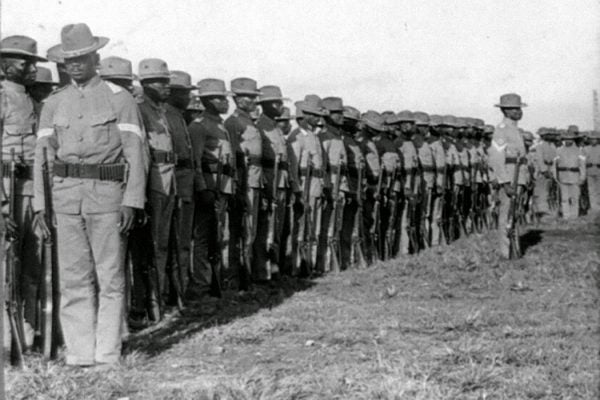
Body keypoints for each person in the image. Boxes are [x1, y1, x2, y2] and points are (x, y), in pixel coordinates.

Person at [33, 23, 146, 366]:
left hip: (108, 198)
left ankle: (108, 352)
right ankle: (81, 353)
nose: (76, 65)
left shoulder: (119, 98)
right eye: (69, 60)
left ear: (95, 57)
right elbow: (43, 156)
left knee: (110, 278)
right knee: (73, 278)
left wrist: (132, 200)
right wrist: (41, 205)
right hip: (66, 200)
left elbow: (136, 152)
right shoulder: (54, 103)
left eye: (82, 57)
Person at [0, 34, 46, 350]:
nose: (30, 67)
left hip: (32, 190)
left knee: (32, 264)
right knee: (6, 266)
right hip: (7, 191)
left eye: (32, 61)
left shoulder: (32, 102)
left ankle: (26, 332)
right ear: (5, 64)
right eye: (24, 61)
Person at [187, 78, 234, 300]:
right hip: (208, 188)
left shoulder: (220, 126)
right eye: (218, 98)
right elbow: (195, 161)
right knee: (204, 238)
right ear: (206, 100)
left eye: (224, 97)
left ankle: (214, 280)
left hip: (222, 186)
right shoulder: (199, 126)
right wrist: (202, 188)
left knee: (217, 235)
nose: (224, 102)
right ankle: (201, 284)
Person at [224, 77, 263, 289]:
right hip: (243, 181)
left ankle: (246, 275)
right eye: (250, 97)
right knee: (238, 231)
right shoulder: (233, 123)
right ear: (238, 99)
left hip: (255, 180)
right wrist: (237, 186)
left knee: (250, 230)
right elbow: (233, 157)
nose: (254, 101)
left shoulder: (248, 122)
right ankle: (234, 277)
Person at [255, 86, 294, 280]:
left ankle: (275, 265)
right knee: (265, 229)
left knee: (277, 227)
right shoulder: (260, 127)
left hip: (281, 182)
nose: (279, 106)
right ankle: (263, 270)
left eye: (280, 102)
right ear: (264, 105)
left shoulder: (275, 128)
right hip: (269, 183)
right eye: (275, 102)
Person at [165, 70, 196, 296]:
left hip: (185, 183)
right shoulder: (167, 116)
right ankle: (173, 288)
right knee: (174, 239)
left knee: (183, 238)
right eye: (184, 93)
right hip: (173, 183)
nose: (188, 98)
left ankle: (181, 284)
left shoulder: (178, 117)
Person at [487, 93, 529, 259]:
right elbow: (496, 159)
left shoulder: (515, 130)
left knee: (515, 214)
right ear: (505, 110)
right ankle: (506, 252)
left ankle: (514, 249)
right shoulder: (501, 130)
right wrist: (505, 182)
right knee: (507, 215)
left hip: (519, 177)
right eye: (514, 109)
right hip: (511, 177)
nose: (518, 111)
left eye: (519, 108)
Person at [552, 130, 586, 219]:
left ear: (573, 140)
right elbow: (554, 165)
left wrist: (582, 177)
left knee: (575, 198)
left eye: (570, 139)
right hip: (562, 176)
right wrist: (555, 176)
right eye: (566, 139)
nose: (568, 141)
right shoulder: (558, 150)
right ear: (563, 139)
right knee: (564, 198)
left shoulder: (579, 151)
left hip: (575, 176)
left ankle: (574, 215)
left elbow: (582, 165)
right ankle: (566, 216)